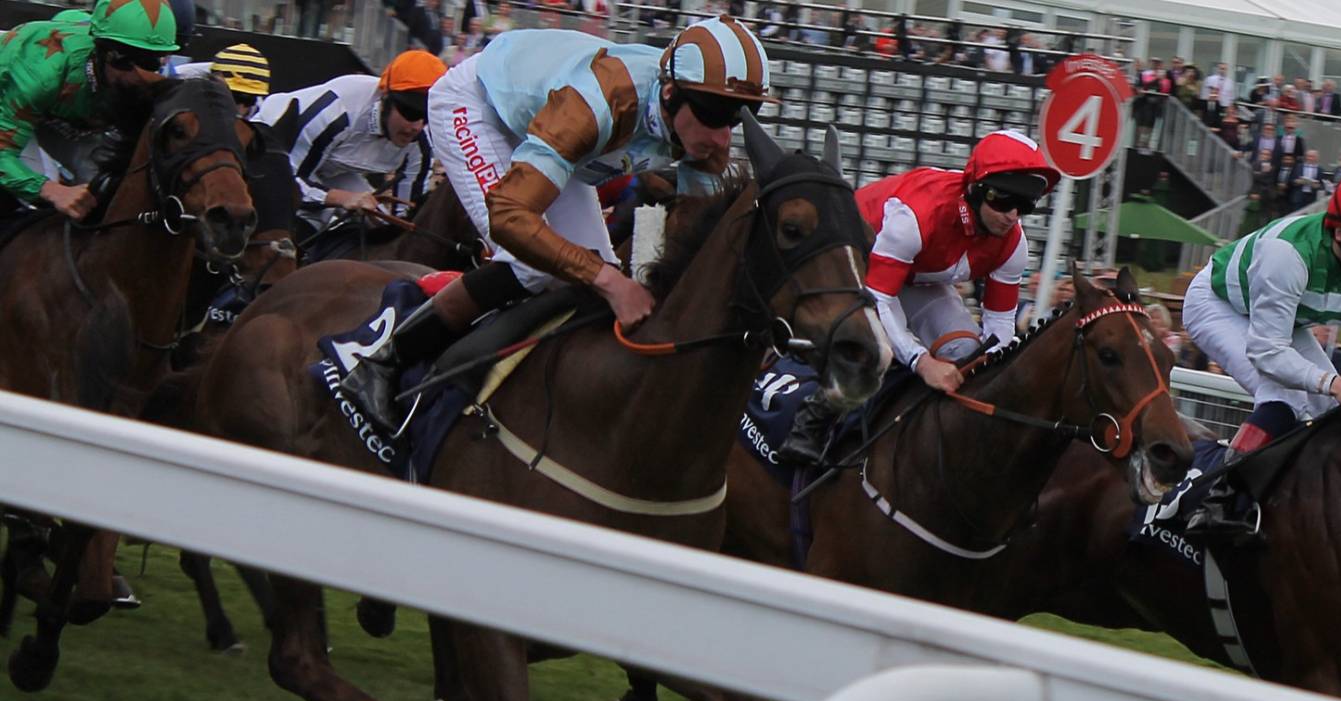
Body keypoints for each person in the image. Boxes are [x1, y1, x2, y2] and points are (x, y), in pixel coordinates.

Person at [340, 16, 776, 433]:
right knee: (533, 264)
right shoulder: (599, 102)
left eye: (735, 118)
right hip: (480, 107)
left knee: (594, 278)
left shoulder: (702, 130)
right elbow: (510, 216)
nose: (722, 137)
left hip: (561, 140)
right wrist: (610, 280)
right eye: (713, 115)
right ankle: (386, 360)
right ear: (668, 94)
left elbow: (693, 243)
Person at [779, 130, 1058, 465]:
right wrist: (922, 362)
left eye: (1025, 206)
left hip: (918, 275)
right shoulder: (915, 216)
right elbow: (880, 298)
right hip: (859, 264)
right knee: (878, 350)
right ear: (975, 189)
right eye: (1003, 201)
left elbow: (1000, 327)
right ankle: (812, 421)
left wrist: (991, 374)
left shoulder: (1013, 244)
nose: (1012, 215)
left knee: (967, 353)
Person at [1182, 172, 1341, 532]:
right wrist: (1337, 383)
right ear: (1340, 232)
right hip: (1216, 304)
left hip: (1283, 322)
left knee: (1329, 409)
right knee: (1285, 396)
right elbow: (1267, 353)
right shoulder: (1287, 255)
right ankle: (1220, 498)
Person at [0, 0, 182, 226]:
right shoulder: (42, 75)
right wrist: (50, 190)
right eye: (123, 61)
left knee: (102, 192)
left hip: (61, 111)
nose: (135, 75)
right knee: (31, 193)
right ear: (100, 52)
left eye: (149, 62)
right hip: (13, 101)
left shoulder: (155, 82)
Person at [251, 50, 444, 236]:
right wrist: (340, 198)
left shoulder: (420, 144)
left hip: (332, 166)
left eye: (426, 116)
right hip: (271, 151)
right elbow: (286, 182)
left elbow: (407, 220)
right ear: (385, 98)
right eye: (410, 113)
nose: (417, 127)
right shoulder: (335, 112)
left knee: (379, 220)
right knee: (318, 214)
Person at [174, 44, 273, 118]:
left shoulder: (263, 115)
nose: (239, 108)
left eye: (249, 101)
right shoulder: (179, 81)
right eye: (233, 96)